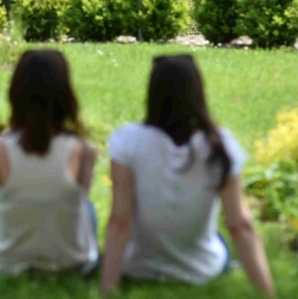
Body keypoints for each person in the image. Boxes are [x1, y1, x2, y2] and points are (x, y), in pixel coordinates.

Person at [100, 54, 275, 297]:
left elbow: (120, 221)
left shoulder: (128, 141)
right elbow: (240, 225)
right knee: (219, 241)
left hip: (137, 266)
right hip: (201, 268)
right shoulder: (220, 145)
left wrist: (107, 289)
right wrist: (268, 293)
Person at [0, 49, 99, 276]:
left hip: (8, 264)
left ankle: (2, 254)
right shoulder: (85, 151)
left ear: (15, 92)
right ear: (66, 96)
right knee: (86, 208)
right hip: (73, 263)